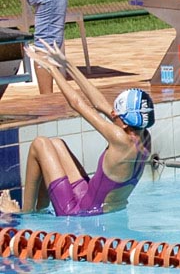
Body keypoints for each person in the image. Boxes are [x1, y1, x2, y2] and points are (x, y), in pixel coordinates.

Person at [0, 42, 153, 216]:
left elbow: (77, 104)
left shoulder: (119, 138)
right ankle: (40, 208)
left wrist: (52, 69)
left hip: (79, 214)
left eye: (117, 113)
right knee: (57, 144)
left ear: (125, 123)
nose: (113, 113)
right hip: (93, 203)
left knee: (40, 144)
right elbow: (99, 103)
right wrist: (67, 64)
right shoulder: (144, 137)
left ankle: (24, 215)